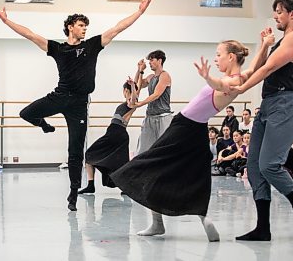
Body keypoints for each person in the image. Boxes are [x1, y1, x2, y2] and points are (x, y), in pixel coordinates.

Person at [0, 0, 154, 211]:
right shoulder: (58, 49)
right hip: (59, 96)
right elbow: (29, 34)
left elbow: (117, 28)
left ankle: (73, 194)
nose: (84, 29)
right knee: (26, 113)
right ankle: (44, 125)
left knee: (75, 151)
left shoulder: (93, 45)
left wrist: (139, 13)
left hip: (78, 104)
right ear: (70, 28)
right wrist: (6, 21)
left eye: (86, 26)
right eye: (80, 25)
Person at [111, 37, 272, 242]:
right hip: (197, 129)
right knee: (195, 174)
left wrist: (207, 78)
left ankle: (159, 223)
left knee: (150, 165)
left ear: (231, 57)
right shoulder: (240, 77)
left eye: (219, 55)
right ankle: (201, 217)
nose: (216, 59)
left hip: (183, 127)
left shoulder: (231, 82)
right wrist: (265, 46)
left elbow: (221, 84)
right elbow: (256, 66)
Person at [230, 0, 293, 241]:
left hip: (286, 103)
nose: (275, 16)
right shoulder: (281, 41)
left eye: (279, 12)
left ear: (291, 14)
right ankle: (263, 227)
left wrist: (243, 88)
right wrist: (264, 45)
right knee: (253, 167)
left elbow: (268, 68)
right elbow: (257, 65)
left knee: (269, 165)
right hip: (269, 104)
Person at [78, 79, 139, 194]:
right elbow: (136, 87)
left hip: (117, 134)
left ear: (126, 90)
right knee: (94, 156)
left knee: (92, 155)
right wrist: (138, 72)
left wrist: (132, 86)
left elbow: (134, 96)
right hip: (113, 134)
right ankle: (91, 185)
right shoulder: (126, 103)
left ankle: (124, 187)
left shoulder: (131, 103)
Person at [132, 51, 172, 156]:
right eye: (149, 60)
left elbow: (156, 94)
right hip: (150, 117)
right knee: (142, 148)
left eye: (152, 59)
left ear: (160, 60)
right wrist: (139, 71)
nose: (149, 62)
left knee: (164, 149)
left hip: (163, 117)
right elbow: (137, 85)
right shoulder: (151, 77)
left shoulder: (165, 76)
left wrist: (140, 104)